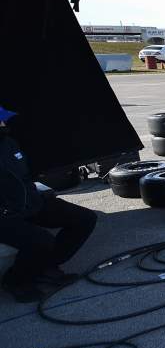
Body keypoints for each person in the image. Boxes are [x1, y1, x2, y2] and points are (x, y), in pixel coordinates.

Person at [0, 107, 97, 303]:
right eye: (1, 121)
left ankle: (45, 267)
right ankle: (15, 281)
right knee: (39, 240)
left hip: (28, 202)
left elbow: (24, 176)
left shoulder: (9, 143)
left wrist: (38, 197)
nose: (4, 124)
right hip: (4, 215)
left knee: (84, 219)